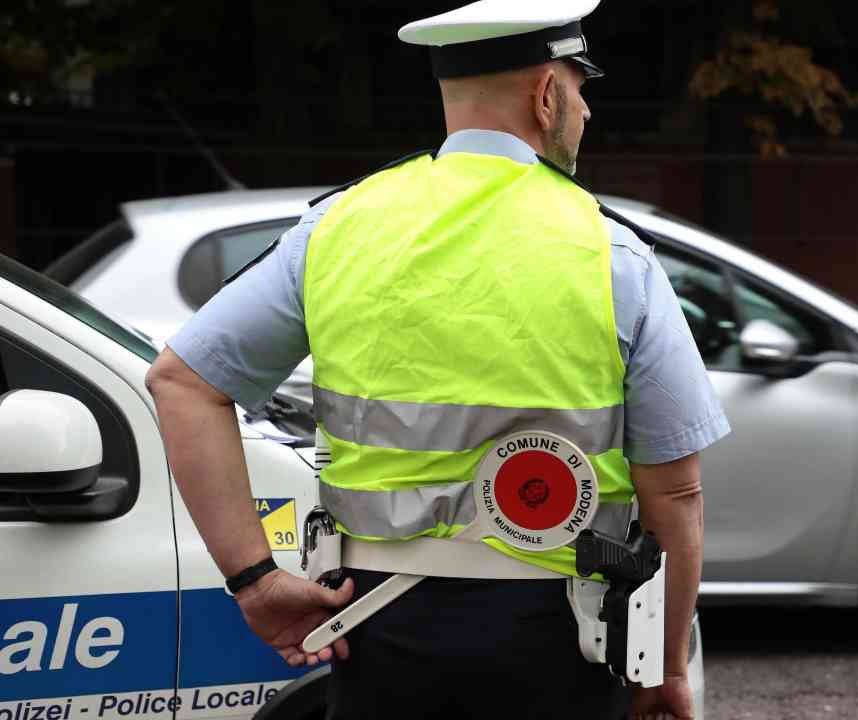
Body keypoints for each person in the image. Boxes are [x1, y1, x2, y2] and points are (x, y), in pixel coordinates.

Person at [145, 1, 730, 718]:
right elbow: (675, 495)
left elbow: (180, 382)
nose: (586, 112)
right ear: (547, 97)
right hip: (562, 647)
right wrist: (663, 665)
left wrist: (256, 581)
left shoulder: (336, 227)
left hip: (374, 639)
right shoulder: (613, 254)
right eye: (580, 91)